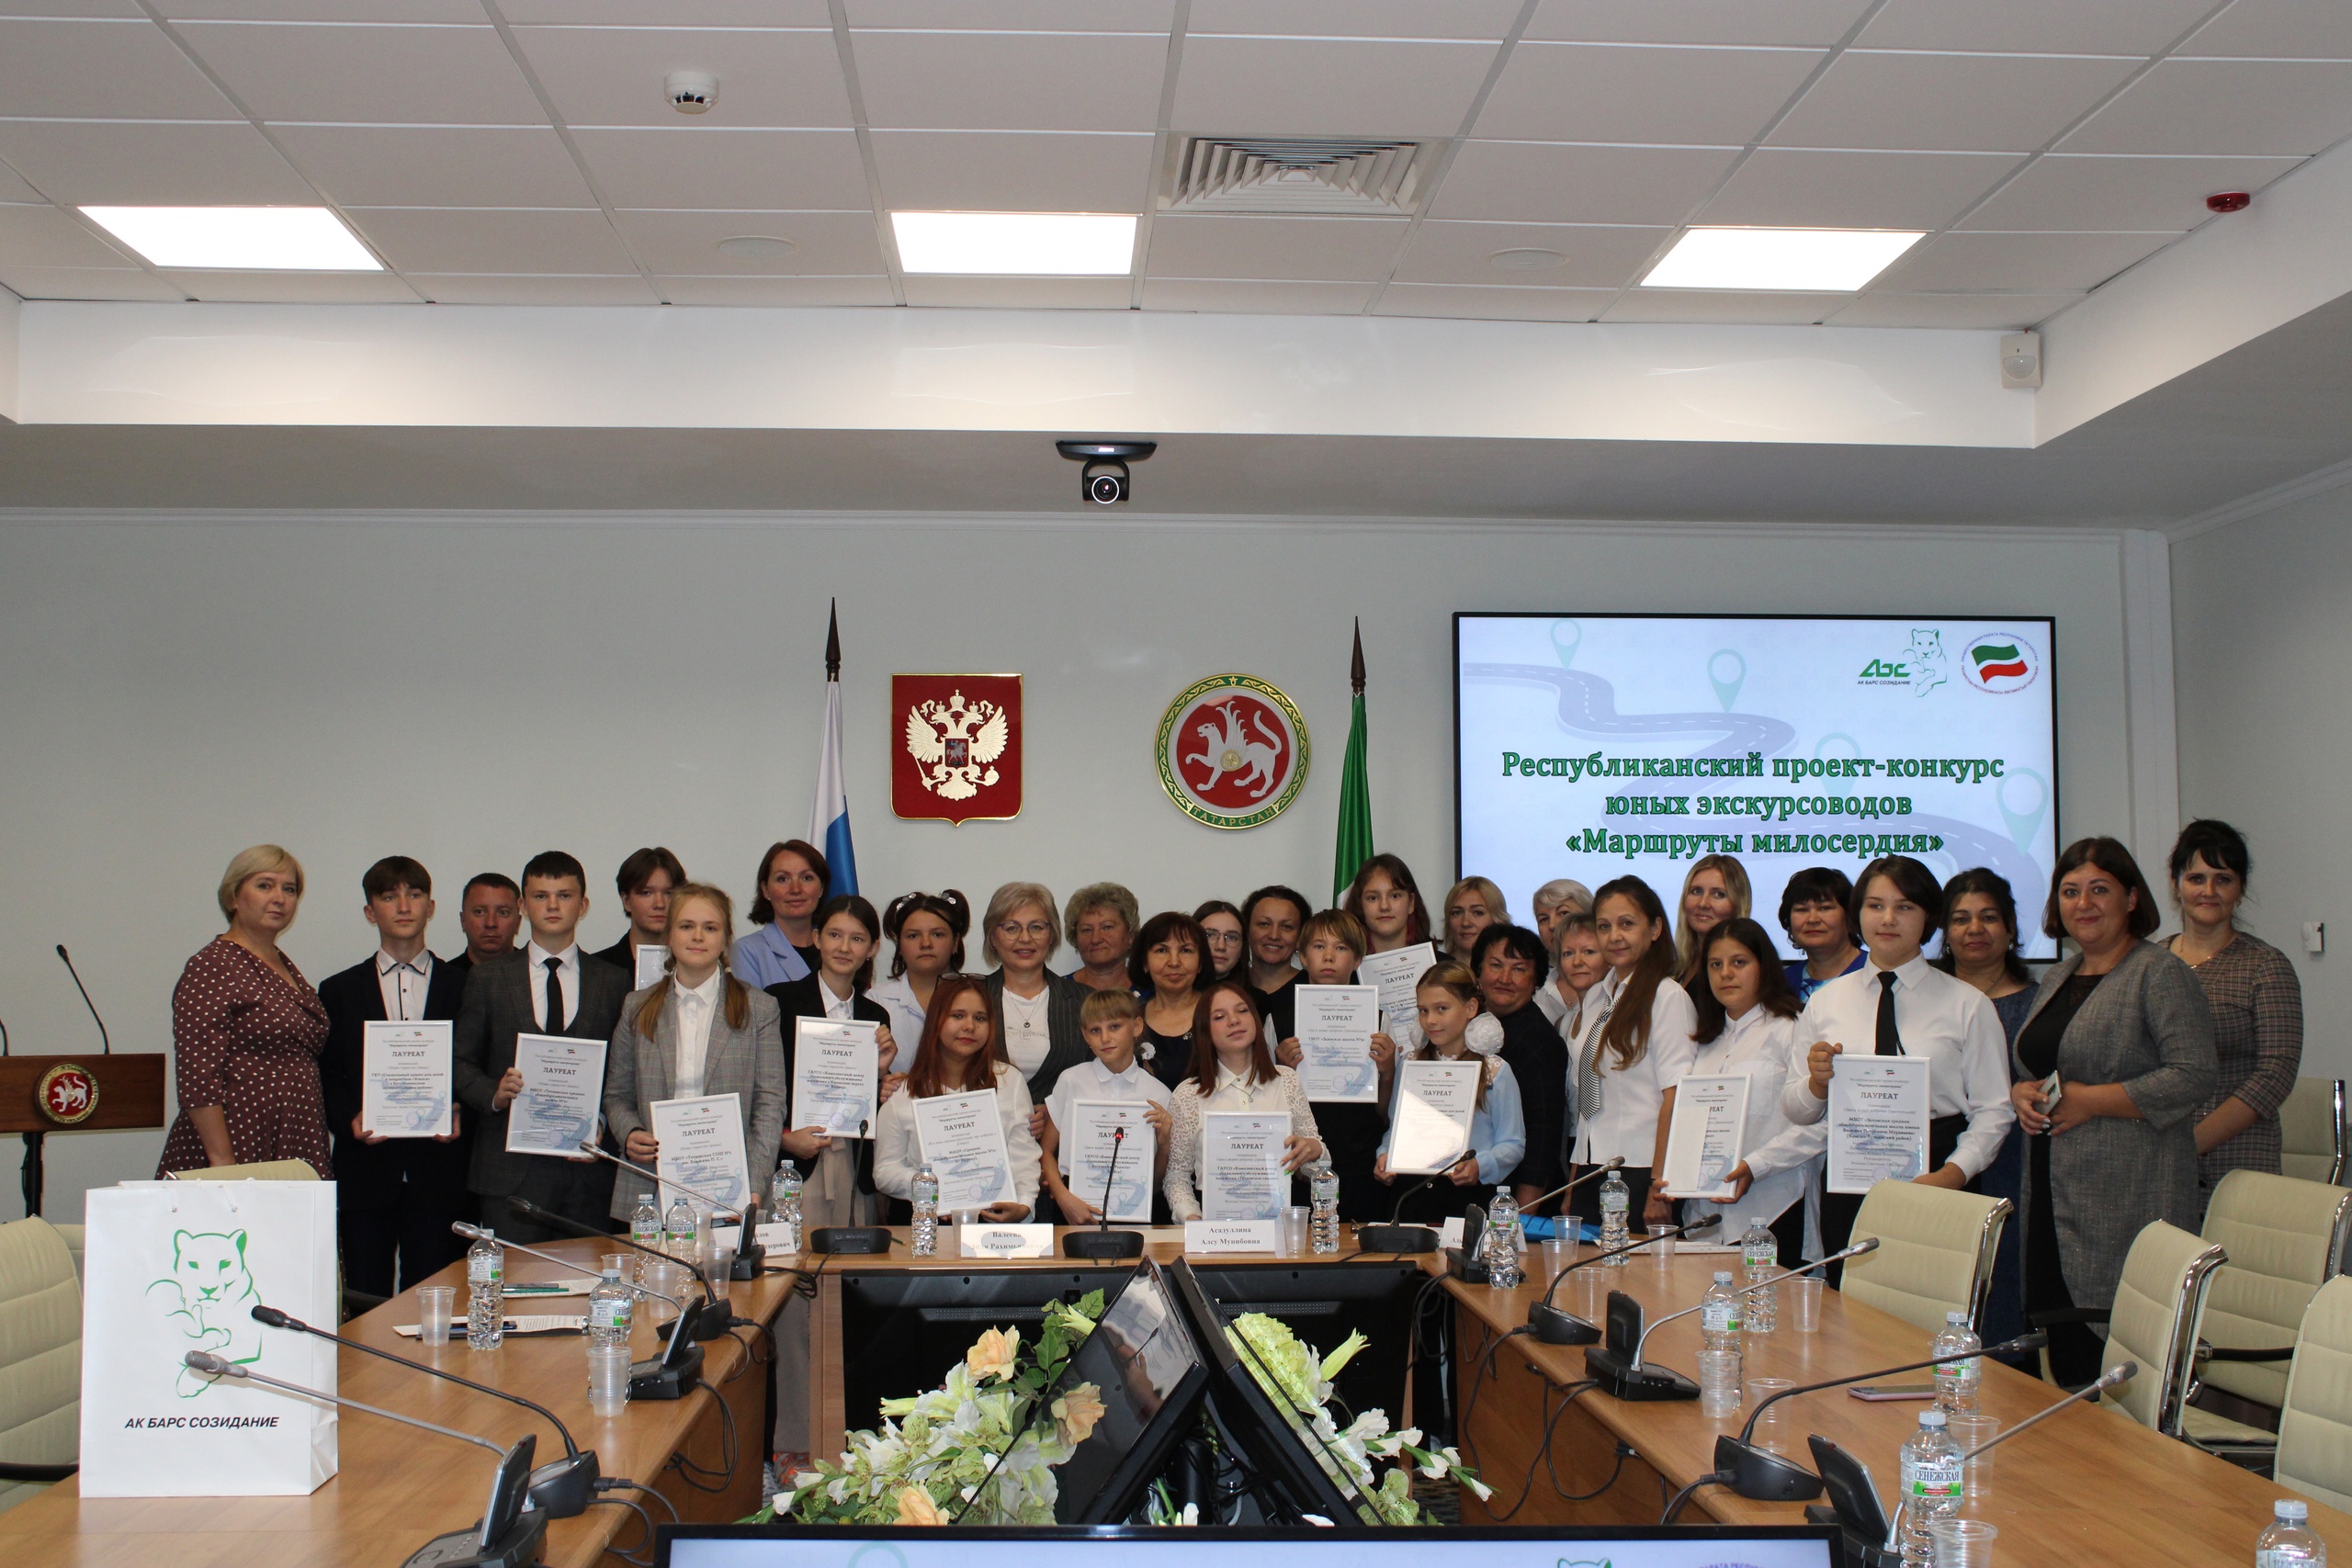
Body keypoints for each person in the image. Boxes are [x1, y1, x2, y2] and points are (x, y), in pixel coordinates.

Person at [2012, 838, 2218, 1383]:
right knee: (2062, 1351)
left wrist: (2090, 1100)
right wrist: (2021, 1092)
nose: (2084, 904)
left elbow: (2194, 1073)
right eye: (2070, 891)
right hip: (2051, 1193)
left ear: (2131, 898)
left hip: (2129, 1195)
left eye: (2099, 889)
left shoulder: (2159, 972)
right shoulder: (2057, 977)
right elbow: (2043, 1064)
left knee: (2113, 1358)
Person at [1781, 855, 2016, 1274]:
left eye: (1904, 907)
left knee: (1931, 1302)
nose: (1888, 919)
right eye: (1875, 906)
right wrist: (1815, 1084)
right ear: (1858, 915)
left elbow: (1994, 1110)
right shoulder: (1826, 1002)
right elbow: (1797, 1110)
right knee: (1849, 1304)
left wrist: (1953, 1174)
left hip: (1941, 1172)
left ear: (1928, 918)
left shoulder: (1967, 1004)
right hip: (1850, 1172)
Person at [451, 852, 629, 1242]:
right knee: (514, 1279)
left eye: (564, 896)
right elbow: (460, 1062)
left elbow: (623, 1072)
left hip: (588, 1170)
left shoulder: (613, 982)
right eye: (540, 896)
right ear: (522, 905)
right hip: (509, 1173)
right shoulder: (487, 978)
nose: (552, 906)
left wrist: (602, 1121)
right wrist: (494, 1093)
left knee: (586, 1277)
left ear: (583, 905)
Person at [318, 855, 472, 1297]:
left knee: (433, 1302)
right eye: (389, 897)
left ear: (431, 907)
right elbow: (327, 1075)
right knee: (365, 1302)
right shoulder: (339, 990)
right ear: (371, 912)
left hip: (439, 1173)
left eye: (414, 895)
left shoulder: (465, 985)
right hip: (366, 1173)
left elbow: (476, 1067)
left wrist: (460, 1111)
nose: (403, 906)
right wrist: (349, 1118)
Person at [603, 883, 786, 1226]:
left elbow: (769, 1104)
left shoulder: (759, 1009)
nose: (698, 936)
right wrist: (629, 1132)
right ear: (669, 935)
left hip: (731, 1191)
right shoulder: (637, 1007)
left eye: (710, 928)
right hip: (651, 1186)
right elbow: (616, 1095)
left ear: (725, 939)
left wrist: (754, 1185)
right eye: (686, 926)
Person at [158, 845, 334, 1178]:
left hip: (296, 1133)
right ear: (233, 897)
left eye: (289, 889)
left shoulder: (282, 964)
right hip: (237, 1139)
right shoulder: (213, 965)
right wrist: (223, 1163)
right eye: (265, 885)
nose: (279, 898)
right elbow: (198, 1076)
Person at [2165, 819, 2304, 1208]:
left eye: (2223, 879)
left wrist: (2192, 1142)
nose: (2208, 891)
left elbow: (2275, 1074)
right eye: (2196, 878)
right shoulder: (2151, 963)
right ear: (2176, 884)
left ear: (2240, 889)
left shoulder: (2266, 966)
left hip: (2240, 1164)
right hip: (2161, 1165)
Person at [1932, 866, 2037, 1349]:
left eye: (1989, 917)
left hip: (2018, 1165)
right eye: (1961, 919)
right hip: (1943, 1167)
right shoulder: (1922, 1001)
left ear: (2011, 928)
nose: (1975, 929)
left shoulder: (2040, 1002)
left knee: (2004, 1281)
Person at [1564, 876, 1698, 1230]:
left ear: (1655, 929)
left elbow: (1676, 1096)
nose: (1614, 936)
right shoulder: (1597, 998)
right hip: (1593, 1167)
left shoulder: (1667, 997)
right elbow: (1588, 1104)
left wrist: (1659, 1185)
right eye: (1604, 926)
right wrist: (1574, 1181)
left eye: (1626, 924)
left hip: (1641, 1168)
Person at [1684, 919, 1815, 1267]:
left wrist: (1757, 1166)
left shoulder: (1792, 1029)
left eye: (1739, 962)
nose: (1726, 973)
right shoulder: (1703, 1041)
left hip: (1775, 1208)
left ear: (1764, 966)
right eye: (1715, 964)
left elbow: (1820, 1124)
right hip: (1704, 1218)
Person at [766, 893, 904, 1219]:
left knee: (856, 1249)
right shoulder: (779, 1001)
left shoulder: (875, 1015)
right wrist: (783, 1139)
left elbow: (870, 1103)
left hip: (855, 1163)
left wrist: (880, 1075)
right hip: (798, 1160)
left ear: (872, 948)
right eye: (834, 935)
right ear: (817, 939)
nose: (844, 947)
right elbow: (762, 1088)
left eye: (857, 939)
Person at [873, 975, 1042, 1222]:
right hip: (925, 1223)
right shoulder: (903, 1093)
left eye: (980, 1018)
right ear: (936, 1021)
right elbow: (884, 1172)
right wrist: (931, 1187)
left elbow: (1024, 1158)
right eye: (958, 1016)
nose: (969, 1026)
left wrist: (1024, 1205)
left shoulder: (1010, 1081)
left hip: (994, 1219)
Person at [1164, 980, 1327, 1222]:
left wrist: (1314, 1150)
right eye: (1219, 1017)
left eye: (1242, 1011)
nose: (1234, 1021)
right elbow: (1176, 1178)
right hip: (1214, 1228)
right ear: (1204, 1031)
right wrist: (1192, 1219)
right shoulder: (1187, 1095)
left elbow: (1317, 1167)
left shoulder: (1287, 1081)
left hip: (1279, 1227)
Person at [1272, 908, 1396, 1222]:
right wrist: (1283, 1070)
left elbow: (1385, 1113)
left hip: (1361, 1164)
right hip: (1298, 1168)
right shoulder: (1278, 1019)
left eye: (1341, 948)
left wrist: (1387, 1071)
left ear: (1357, 960)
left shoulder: (1379, 1019)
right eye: (1318, 946)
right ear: (1302, 956)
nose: (1329, 956)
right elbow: (1265, 1102)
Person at [1375, 963, 1526, 1217]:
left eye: (1442, 1009)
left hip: (1467, 1196)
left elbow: (1513, 1143)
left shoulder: (1494, 1072)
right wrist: (1385, 1154)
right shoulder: (1410, 1064)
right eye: (1423, 1010)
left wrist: (1480, 1165)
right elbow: (1396, 1128)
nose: (1430, 1020)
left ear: (1471, 1008)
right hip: (1413, 1193)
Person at [1038, 989, 1174, 1224]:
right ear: (1085, 1035)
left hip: (1134, 1207)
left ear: (1136, 1027)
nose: (1105, 1038)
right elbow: (1047, 1151)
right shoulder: (1071, 1080)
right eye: (1095, 1030)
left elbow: (1154, 1186)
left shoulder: (1158, 1093)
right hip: (1072, 1206)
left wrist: (1164, 1147)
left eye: (1114, 1027)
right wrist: (1063, 1197)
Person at [1472, 924, 1567, 1211]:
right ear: (1478, 971)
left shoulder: (1539, 1041)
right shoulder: (1471, 1026)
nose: (1504, 978)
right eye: (1496, 965)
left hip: (1515, 1200)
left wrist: (1523, 1214)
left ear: (1535, 979)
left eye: (1519, 969)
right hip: (1477, 1187)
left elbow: (1543, 1134)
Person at [977, 881, 1091, 1101]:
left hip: (1061, 1123)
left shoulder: (1084, 1000)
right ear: (993, 938)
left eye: (1037, 927)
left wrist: (1056, 1110)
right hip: (988, 1121)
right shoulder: (971, 997)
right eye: (1011, 928)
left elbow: (1101, 1076)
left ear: (1052, 935)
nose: (1025, 938)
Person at [870, 890, 968, 1055]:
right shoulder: (877, 1000)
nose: (925, 944)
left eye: (937, 934)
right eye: (913, 936)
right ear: (899, 946)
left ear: (955, 942)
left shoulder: (980, 998)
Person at [732, 840, 828, 990]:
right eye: (783, 879)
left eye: (806, 878)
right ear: (765, 889)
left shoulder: (836, 946)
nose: (795, 889)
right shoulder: (749, 951)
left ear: (821, 887)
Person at [1133, 909, 1209, 1089]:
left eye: (1186, 950)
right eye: (1161, 950)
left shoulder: (1220, 1014)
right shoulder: (1129, 1019)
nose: (1174, 962)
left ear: (1200, 963)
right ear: (1145, 962)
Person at [591, 846, 685, 979]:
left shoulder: (696, 965)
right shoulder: (596, 968)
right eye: (646, 893)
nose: (660, 904)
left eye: (668, 893)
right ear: (626, 901)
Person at [1779, 866, 1866, 1003]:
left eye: (1824, 908)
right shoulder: (1781, 983)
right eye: (1802, 910)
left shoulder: (1877, 973)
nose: (1812, 919)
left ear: (1850, 915)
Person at [1240, 884, 1311, 1039]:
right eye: (1264, 924)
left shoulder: (1314, 991)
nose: (1274, 935)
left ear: (1301, 937)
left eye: (1287, 927)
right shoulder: (1228, 988)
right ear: (1246, 931)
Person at [1673, 853, 1750, 990]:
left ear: (1738, 904)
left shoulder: (1741, 968)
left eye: (1718, 894)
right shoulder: (1681, 965)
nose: (1703, 903)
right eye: (1696, 891)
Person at [1530, 879, 1593, 1026]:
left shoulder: (1614, 981)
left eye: (1563, 913)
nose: (1552, 925)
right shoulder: (1536, 988)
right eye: (1543, 919)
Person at [1345, 853, 1432, 953]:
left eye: (1395, 896)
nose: (1384, 906)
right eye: (1373, 898)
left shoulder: (1440, 962)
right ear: (1360, 905)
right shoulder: (1345, 963)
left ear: (1411, 903)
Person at [1064, 882, 1140, 993]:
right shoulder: (1056, 993)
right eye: (1087, 930)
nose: (1096, 939)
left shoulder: (1154, 994)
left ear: (1131, 935)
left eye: (1107, 927)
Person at [1547, 910, 1607, 1038]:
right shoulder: (1563, 1024)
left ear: (1609, 958)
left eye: (1589, 952)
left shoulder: (1622, 1016)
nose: (1577, 962)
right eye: (1568, 953)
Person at [450, 872, 523, 975]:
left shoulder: (535, 976)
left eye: (503, 913)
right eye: (479, 912)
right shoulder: (442, 980)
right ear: (463, 920)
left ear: (517, 923)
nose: (490, 923)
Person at [1442, 876, 1510, 964]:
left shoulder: (1515, 970)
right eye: (1457, 913)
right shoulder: (1433, 969)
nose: (1465, 923)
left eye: (1478, 913)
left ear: (1498, 919)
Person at [1196, 899, 1247, 985]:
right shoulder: (1174, 990)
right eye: (1210, 935)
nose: (1221, 947)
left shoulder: (1252, 993)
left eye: (1232, 937)